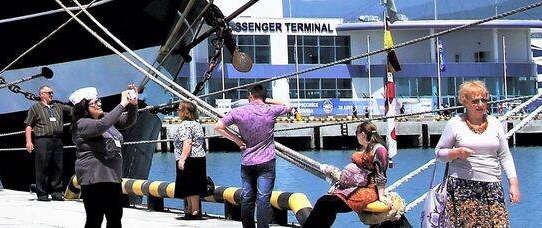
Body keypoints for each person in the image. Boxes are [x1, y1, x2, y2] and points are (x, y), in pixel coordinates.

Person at [435, 80, 520, 226]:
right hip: (462, 186)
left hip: (492, 186)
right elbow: (439, 153)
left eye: (484, 100)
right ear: (465, 102)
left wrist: (513, 184)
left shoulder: (495, 123)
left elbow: (505, 155)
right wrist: (456, 153)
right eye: (475, 101)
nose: (480, 105)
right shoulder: (455, 123)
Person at [214, 83, 292, 228]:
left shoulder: (238, 111)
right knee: (263, 199)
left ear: (250, 96)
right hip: (267, 160)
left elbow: (218, 127)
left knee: (247, 197)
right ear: (264, 97)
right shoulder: (270, 110)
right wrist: (267, 100)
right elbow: (287, 106)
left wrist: (236, 140)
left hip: (247, 161)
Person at [72, 86, 137, 228]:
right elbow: (102, 125)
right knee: (95, 218)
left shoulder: (104, 118)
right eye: (94, 103)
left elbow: (127, 121)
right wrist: (122, 103)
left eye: (99, 101)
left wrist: (133, 104)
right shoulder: (82, 124)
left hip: (111, 175)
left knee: (115, 217)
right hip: (94, 177)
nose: (99, 104)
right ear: (84, 107)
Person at [304, 121, 390, 226]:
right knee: (322, 201)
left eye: (357, 134)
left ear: (362, 134)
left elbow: (381, 175)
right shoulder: (365, 147)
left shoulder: (379, 150)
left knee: (327, 204)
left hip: (367, 190)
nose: (356, 137)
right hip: (352, 187)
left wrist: (381, 196)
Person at [24, 83, 71, 201]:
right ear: (41, 94)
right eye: (49, 93)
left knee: (58, 166)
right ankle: (42, 193)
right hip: (43, 140)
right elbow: (28, 125)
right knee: (42, 166)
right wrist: (29, 142)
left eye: (52, 93)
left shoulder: (57, 106)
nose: (51, 94)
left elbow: (73, 110)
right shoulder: (35, 108)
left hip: (58, 139)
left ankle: (57, 192)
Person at [167, 101, 208, 220]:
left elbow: (187, 142)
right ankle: (190, 210)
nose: (177, 111)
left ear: (185, 112)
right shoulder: (196, 123)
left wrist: (182, 159)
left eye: (179, 109)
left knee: (191, 186)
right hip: (199, 157)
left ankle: (195, 211)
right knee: (189, 186)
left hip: (189, 158)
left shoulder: (185, 125)